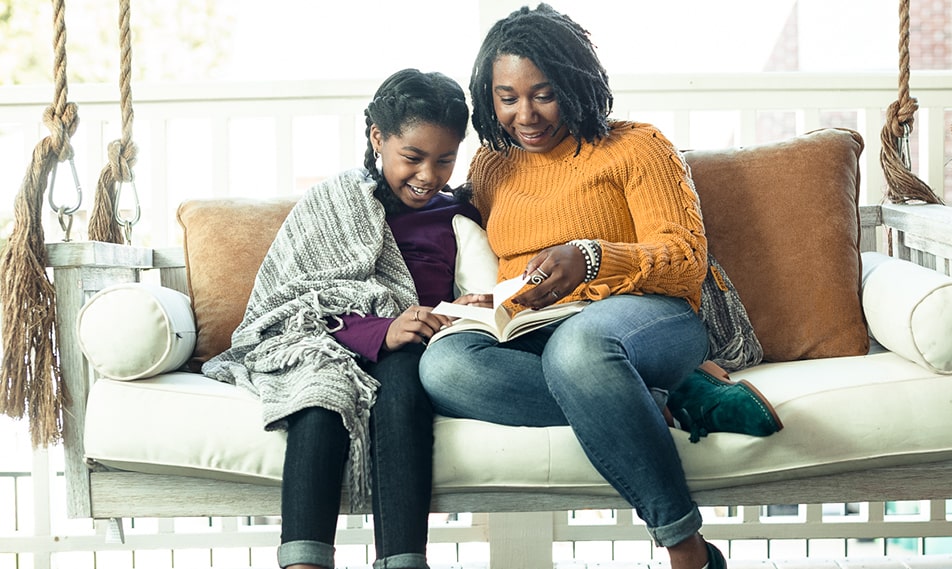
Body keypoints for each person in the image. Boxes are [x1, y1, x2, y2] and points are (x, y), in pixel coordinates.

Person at [418, 5, 730, 568]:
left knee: (580, 349)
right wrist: (479, 299)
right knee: (443, 366)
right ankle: (636, 400)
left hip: (645, 317)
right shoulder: (493, 165)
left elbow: (686, 260)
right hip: (534, 324)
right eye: (507, 97)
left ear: (576, 82)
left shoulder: (637, 147)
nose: (526, 115)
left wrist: (590, 258)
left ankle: (687, 550)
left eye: (543, 93)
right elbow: (457, 232)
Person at [202, 69, 487, 569]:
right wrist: (383, 328)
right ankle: (304, 561)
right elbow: (293, 303)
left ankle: (403, 560)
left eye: (444, 160)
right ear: (378, 138)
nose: (428, 176)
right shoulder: (336, 202)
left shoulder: (454, 215)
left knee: (402, 386)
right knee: (320, 400)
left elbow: (467, 290)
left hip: (414, 343)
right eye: (413, 158)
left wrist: (465, 309)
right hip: (328, 341)